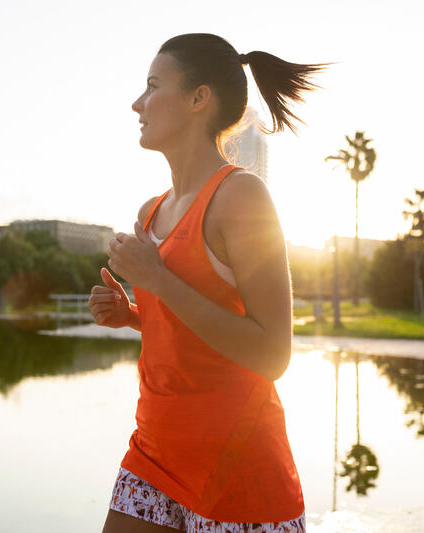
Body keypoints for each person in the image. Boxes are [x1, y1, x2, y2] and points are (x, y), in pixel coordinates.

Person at [91, 33, 329, 533]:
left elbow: (272, 354)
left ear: (200, 98)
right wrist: (133, 314)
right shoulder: (149, 213)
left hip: (237, 471)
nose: (137, 103)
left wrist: (154, 277)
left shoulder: (242, 196)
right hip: (154, 454)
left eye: (153, 86)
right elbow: (186, 331)